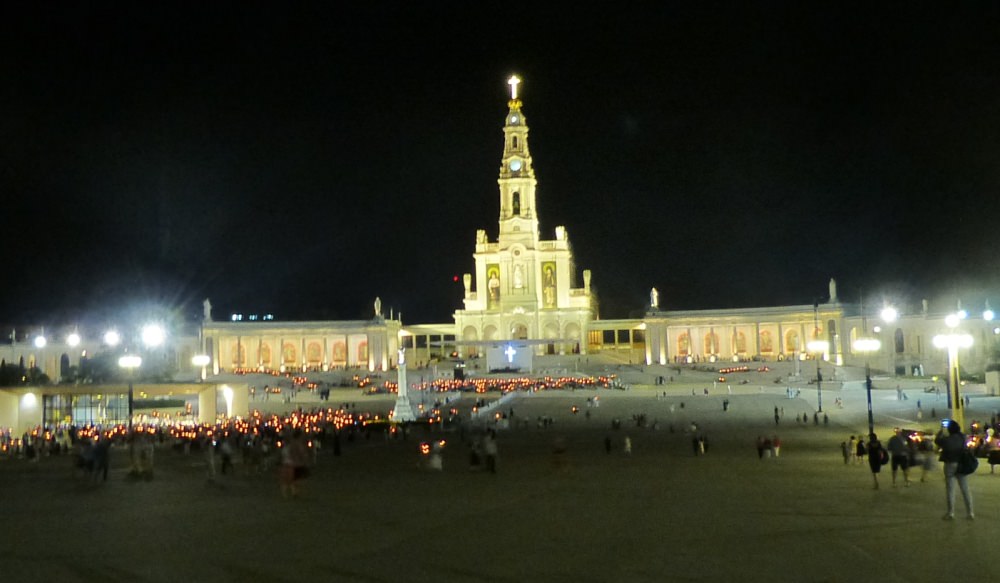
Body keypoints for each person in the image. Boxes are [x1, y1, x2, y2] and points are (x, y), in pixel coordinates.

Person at [935, 420, 974, 519]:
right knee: (965, 489)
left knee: (950, 490)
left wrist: (941, 430)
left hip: (949, 464)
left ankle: (951, 512)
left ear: (949, 429)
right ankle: (970, 512)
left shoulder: (946, 440)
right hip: (961, 464)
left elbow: (937, 441)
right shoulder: (963, 437)